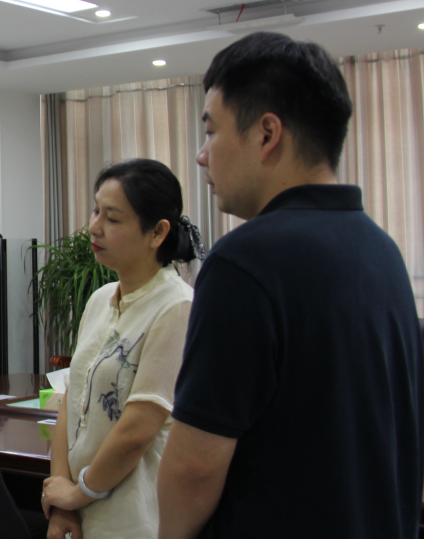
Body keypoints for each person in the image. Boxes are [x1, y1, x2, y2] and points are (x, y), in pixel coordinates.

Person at [157, 32, 423, 539]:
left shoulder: (244, 261)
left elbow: (194, 467)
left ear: (267, 133)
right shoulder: (382, 251)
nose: (201, 155)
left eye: (211, 131)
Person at [40, 159, 198, 539]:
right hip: (80, 513)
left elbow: (138, 430)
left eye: (112, 218)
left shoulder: (177, 306)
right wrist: (63, 500)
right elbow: (70, 400)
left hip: (133, 519)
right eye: (96, 211)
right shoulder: (100, 299)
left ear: (157, 232)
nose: (94, 227)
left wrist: (78, 493)